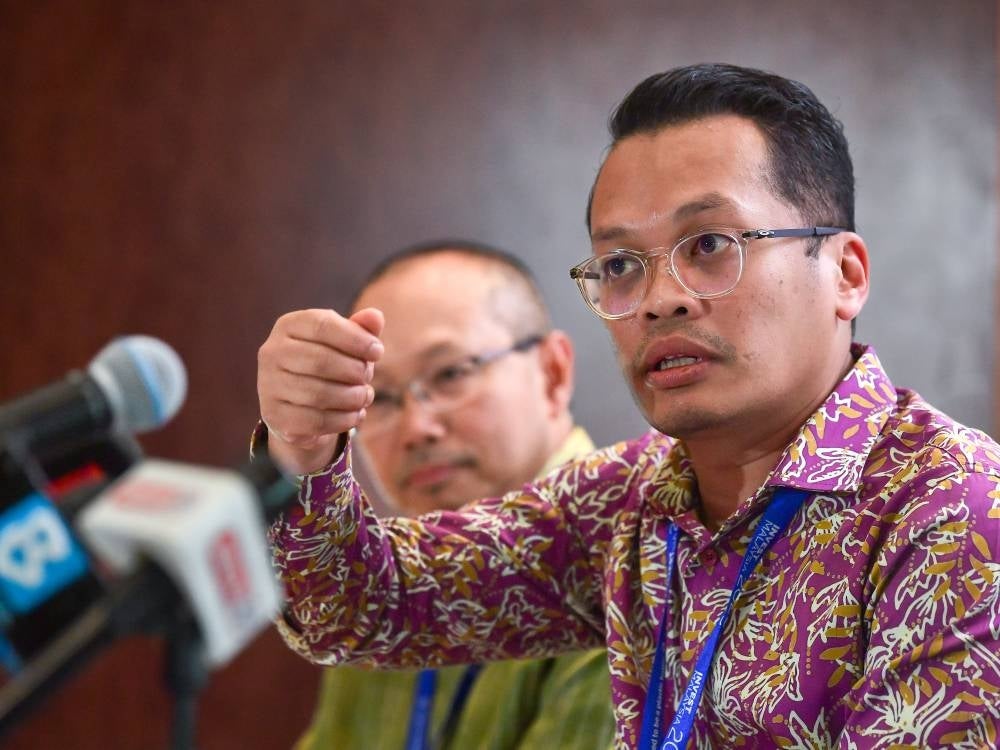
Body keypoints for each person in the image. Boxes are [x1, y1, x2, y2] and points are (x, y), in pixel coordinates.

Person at [257, 64, 1000, 749]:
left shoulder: (953, 511)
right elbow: (363, 606)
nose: (659, 299)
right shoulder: (634, 500)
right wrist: (306, 446)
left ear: (845, 273)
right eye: (619, 266)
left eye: (709, 243)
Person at [257, 240, 617, 749]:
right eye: (378, 397)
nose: (416, 428)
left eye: (450, 374)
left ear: (553, 374)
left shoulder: (624, 554)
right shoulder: (377, 580)